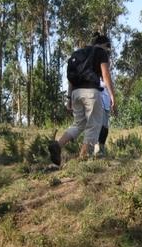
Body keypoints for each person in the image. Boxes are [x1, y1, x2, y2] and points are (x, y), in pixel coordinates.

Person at [48, 34, 115, 165]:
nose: (108, 52)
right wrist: (112, 95)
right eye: (108, 49)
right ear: (104, 45)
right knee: (94, 125)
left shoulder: (78, 53)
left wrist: (69, 98)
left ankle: (58, 145)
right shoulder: (101, 52)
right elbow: (106, 74)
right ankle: (83, 159)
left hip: (76, 93)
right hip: (91, 92)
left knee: (79, 124)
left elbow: (71, 80)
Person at [96, 85, 112, 156]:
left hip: (107, 104)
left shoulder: (107, 78)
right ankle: (97, 148)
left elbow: (110, 89)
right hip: (99, 103)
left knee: (105, 128)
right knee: (101, 126)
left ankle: (102, 149)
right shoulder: (97, 77)